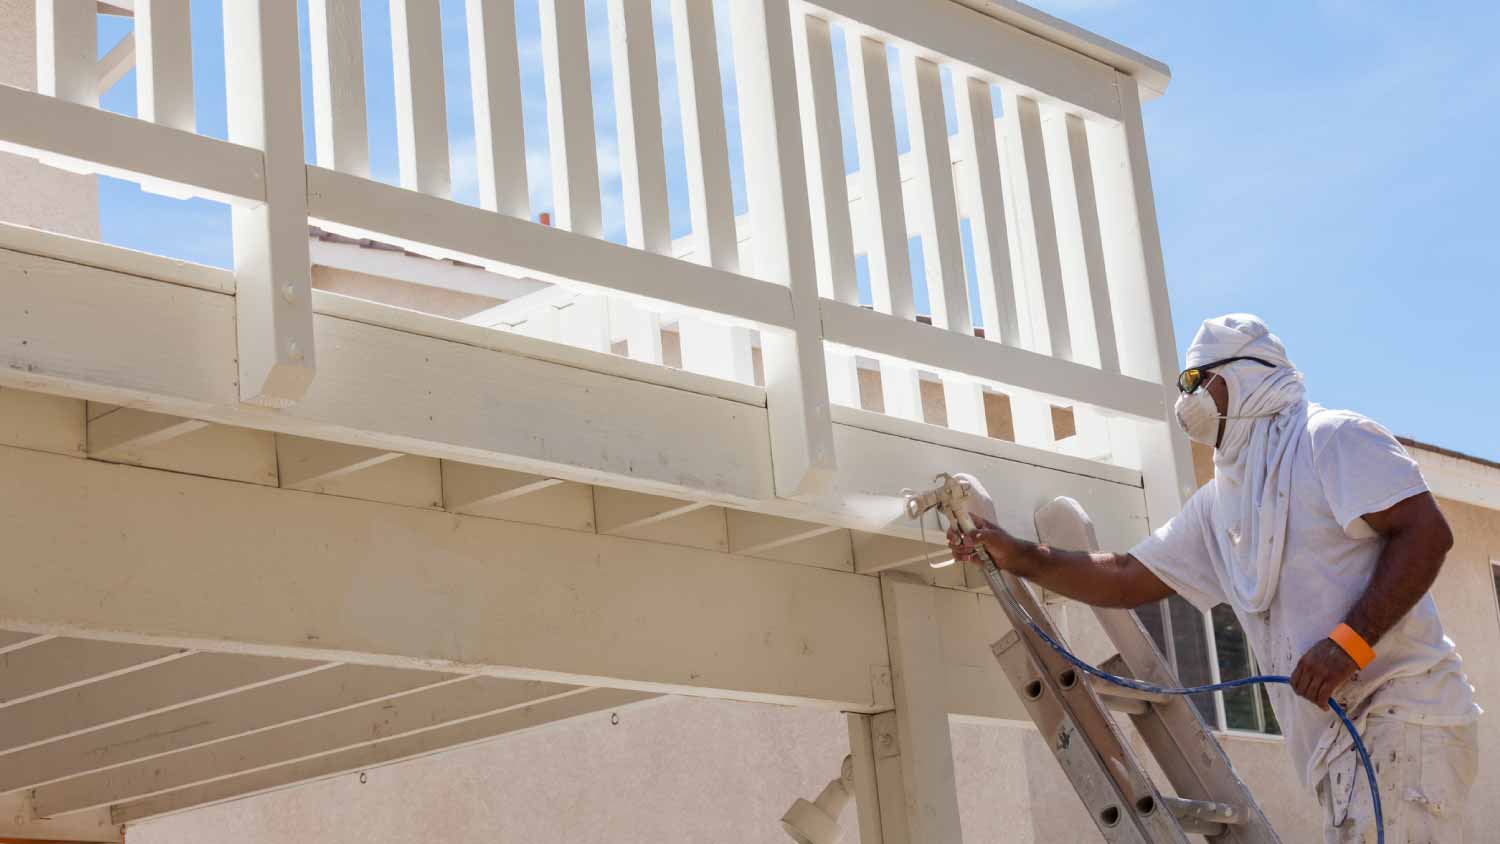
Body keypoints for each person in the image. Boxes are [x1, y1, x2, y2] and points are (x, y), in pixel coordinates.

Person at [948, 314, 1479, 844]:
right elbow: (1129, 577)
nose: (1188, 399)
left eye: (1197, 381)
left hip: (1404, 717)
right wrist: (1016, 554)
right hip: (1337, 748)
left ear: (1246, 376)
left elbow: (1426, 533)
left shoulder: (1331, 439)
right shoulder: (1222, 505)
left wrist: (1349, 644)